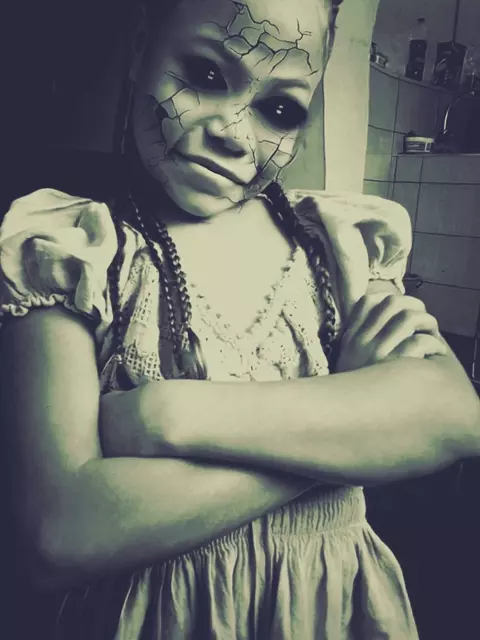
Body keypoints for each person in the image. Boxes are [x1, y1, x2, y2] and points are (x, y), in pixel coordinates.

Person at [0, 0, 478, 638]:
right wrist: (352, 425)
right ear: (141, 49)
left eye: (280, 109)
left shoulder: (339, 244)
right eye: (205, 74)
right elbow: (58, 535)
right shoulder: (72, 248)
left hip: (328, 611)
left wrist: (164, 415)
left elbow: (454, 415)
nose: (233, 133)